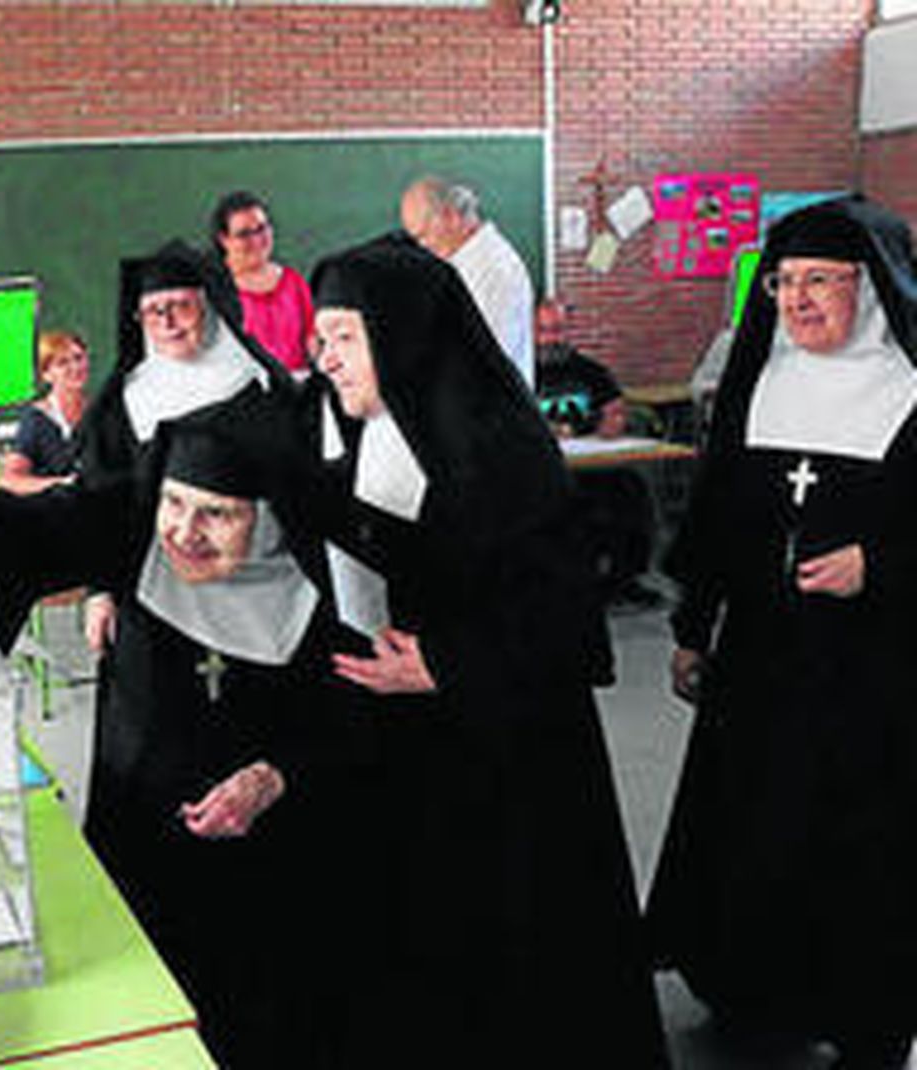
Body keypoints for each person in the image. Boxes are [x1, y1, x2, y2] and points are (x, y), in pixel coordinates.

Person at [0, 390, 356, 1069]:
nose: (184, 532)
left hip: (273, 873)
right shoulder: (133, 537)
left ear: (272, 520)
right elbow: (31, 519)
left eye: (218, 514)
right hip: (140, 832)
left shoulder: (337, 590)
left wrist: (272, 776)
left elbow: (350, 725)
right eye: (175, 503)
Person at [305, 235, 668, 1067]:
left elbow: (569, 622)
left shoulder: (501, 450)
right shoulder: (370, 429)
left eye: (343, 338)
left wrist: (444, 665)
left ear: (402, 336)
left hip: (509, 754)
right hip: (412, 740)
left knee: (517, 954)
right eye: (320, 340)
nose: (324, 360)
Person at [646, 195, 917, 1070]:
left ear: (871, 288)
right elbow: (718, 522)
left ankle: (858, 1007)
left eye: (818, 283)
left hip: (876, 672)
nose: (795, 303)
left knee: (858, 842)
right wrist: (691, 627)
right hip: (762, 662)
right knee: (753, 825)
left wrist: (879, 565)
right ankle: (751, 986)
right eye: (782, 284)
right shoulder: (763, 380)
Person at [75, 240, 290, 655]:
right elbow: (100, 503)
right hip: (149, 590)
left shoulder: (259, 387)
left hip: (250, 593)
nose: (169, 323)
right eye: (155, 311)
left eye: (182, 306)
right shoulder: (124, 402)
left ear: (209, 307)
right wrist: (99, 591)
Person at [534, 297, 662, 609]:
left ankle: (624, 580)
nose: (553, 339)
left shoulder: (589, 370)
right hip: (542, 470)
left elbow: (615, 408)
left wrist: (614, 419)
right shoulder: (515, 371)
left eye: (559, 330)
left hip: (594, 464)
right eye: (544, 330)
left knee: (632, 490)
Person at [399, 175, 536, 387]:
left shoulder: (497, 269)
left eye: (423, 236)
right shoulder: (456, 264)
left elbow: (485, 360)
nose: (421, 247)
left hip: (490, 410)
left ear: (451, 217)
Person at [210, 190, 315, 377]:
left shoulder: (292, 281)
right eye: (244, 234)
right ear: (224, 240)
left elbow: (312, 339)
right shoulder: (214, 289)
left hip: (298, 387)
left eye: (262, 228)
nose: (257, 240)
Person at [0, 329, 90, 495]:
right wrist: (62, 483)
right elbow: (10, 480)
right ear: (46, 375)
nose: (75, 367)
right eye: (63, 363)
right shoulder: (37, 420)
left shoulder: (100, 411)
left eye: (79, 358)